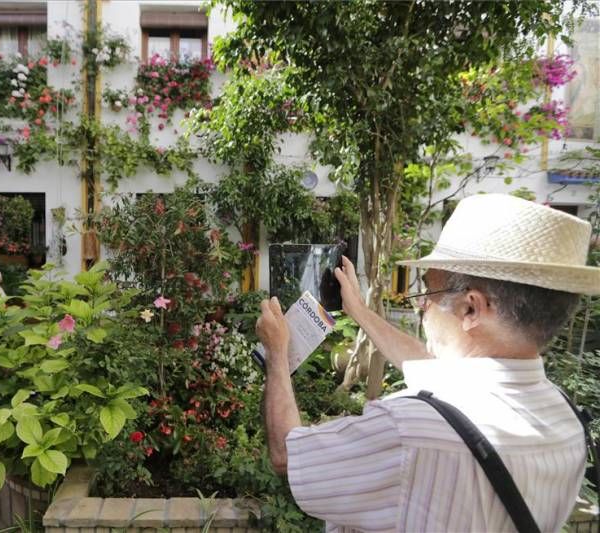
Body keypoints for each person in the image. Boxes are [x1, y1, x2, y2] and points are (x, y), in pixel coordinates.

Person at [256, 193, 600, 532]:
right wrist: (359, 312)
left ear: (471, 309)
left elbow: (288, 454)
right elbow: (431, 366)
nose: (422, 309)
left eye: (428, 295)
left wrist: (277, 352)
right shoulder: (568, 420)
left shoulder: (409, 429)